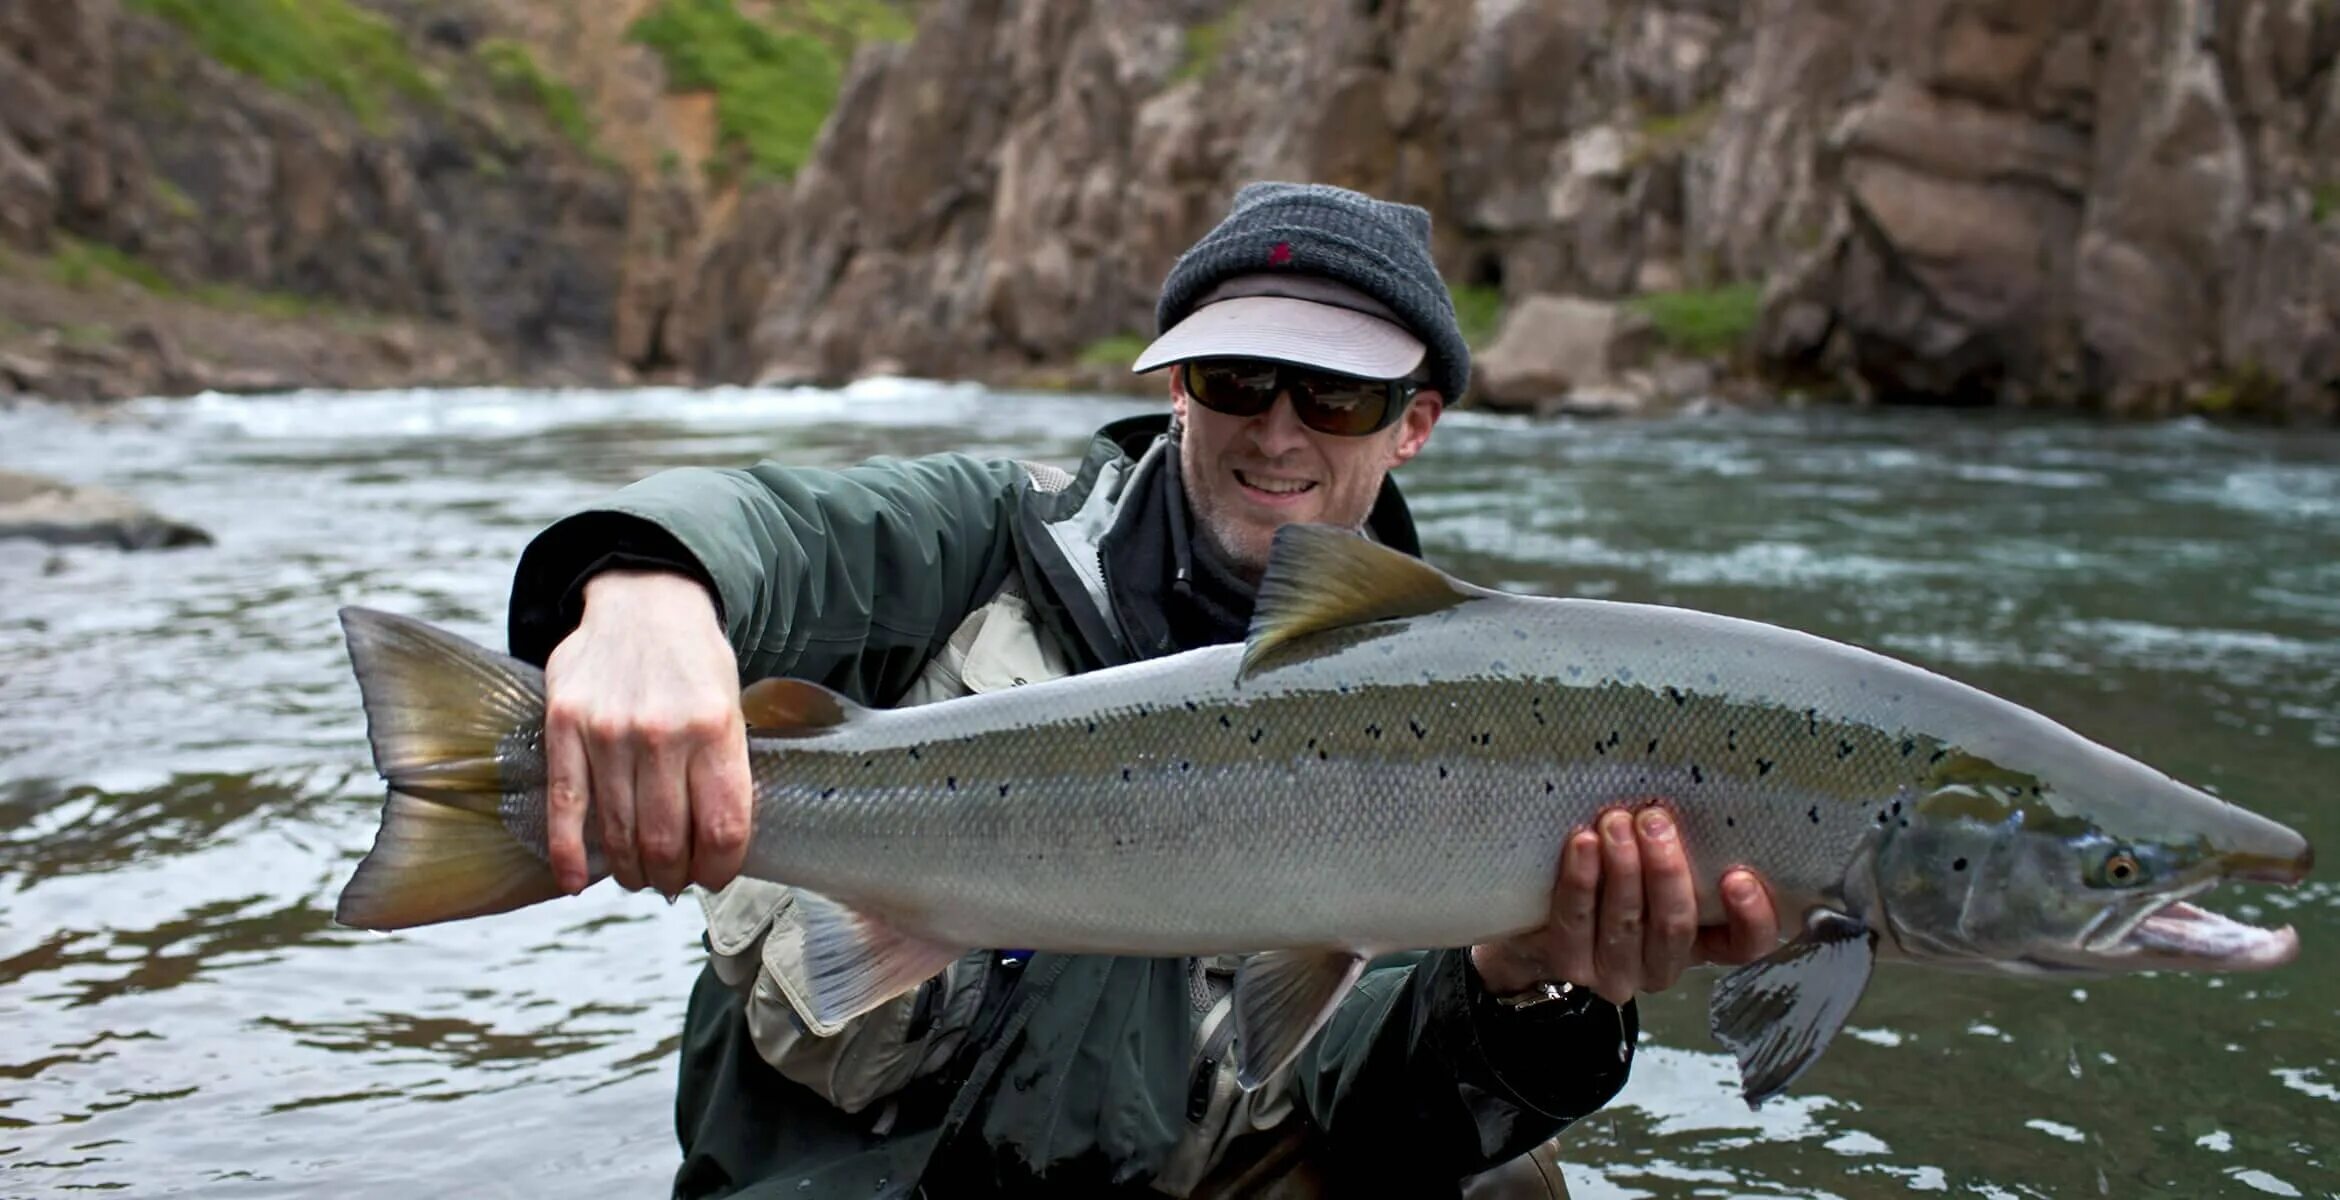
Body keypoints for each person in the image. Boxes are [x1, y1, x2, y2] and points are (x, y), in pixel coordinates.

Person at [503, 182, 1781, 1199]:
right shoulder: (980, 534)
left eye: (1336, 396)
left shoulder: (1482, 719)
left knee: (1508, 1176)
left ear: (1415, 423)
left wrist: (1528, 987)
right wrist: (642, 587)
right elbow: (773, 524)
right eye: (1237, 381)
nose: (1278, 432)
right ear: (1178, 387)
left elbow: (1377, 1114)